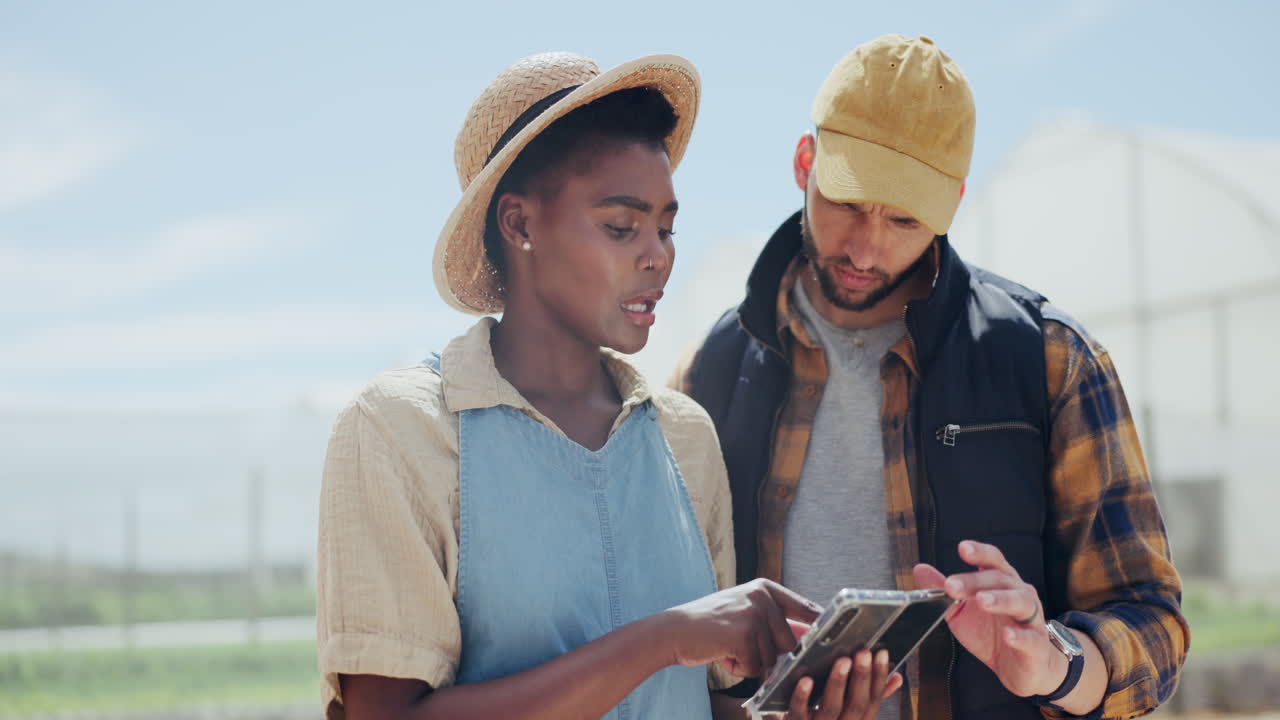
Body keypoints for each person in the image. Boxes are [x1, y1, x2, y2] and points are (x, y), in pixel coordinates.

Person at [316, 51, 901, 720]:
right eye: (622, 227)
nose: (658, 255)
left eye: (666, 226)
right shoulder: (399, 432)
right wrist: (666, 637)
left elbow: (694, 703)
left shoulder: (684, 437)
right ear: (520, 224)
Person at [675, 35, 1190, 720]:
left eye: (903, 219)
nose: (867, 245)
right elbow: (678, 635)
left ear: (953, 202)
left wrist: (1054, 662)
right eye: (850, 202)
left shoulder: (1054, 361)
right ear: (805, 162)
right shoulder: (706, 374)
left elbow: (1152, 624)